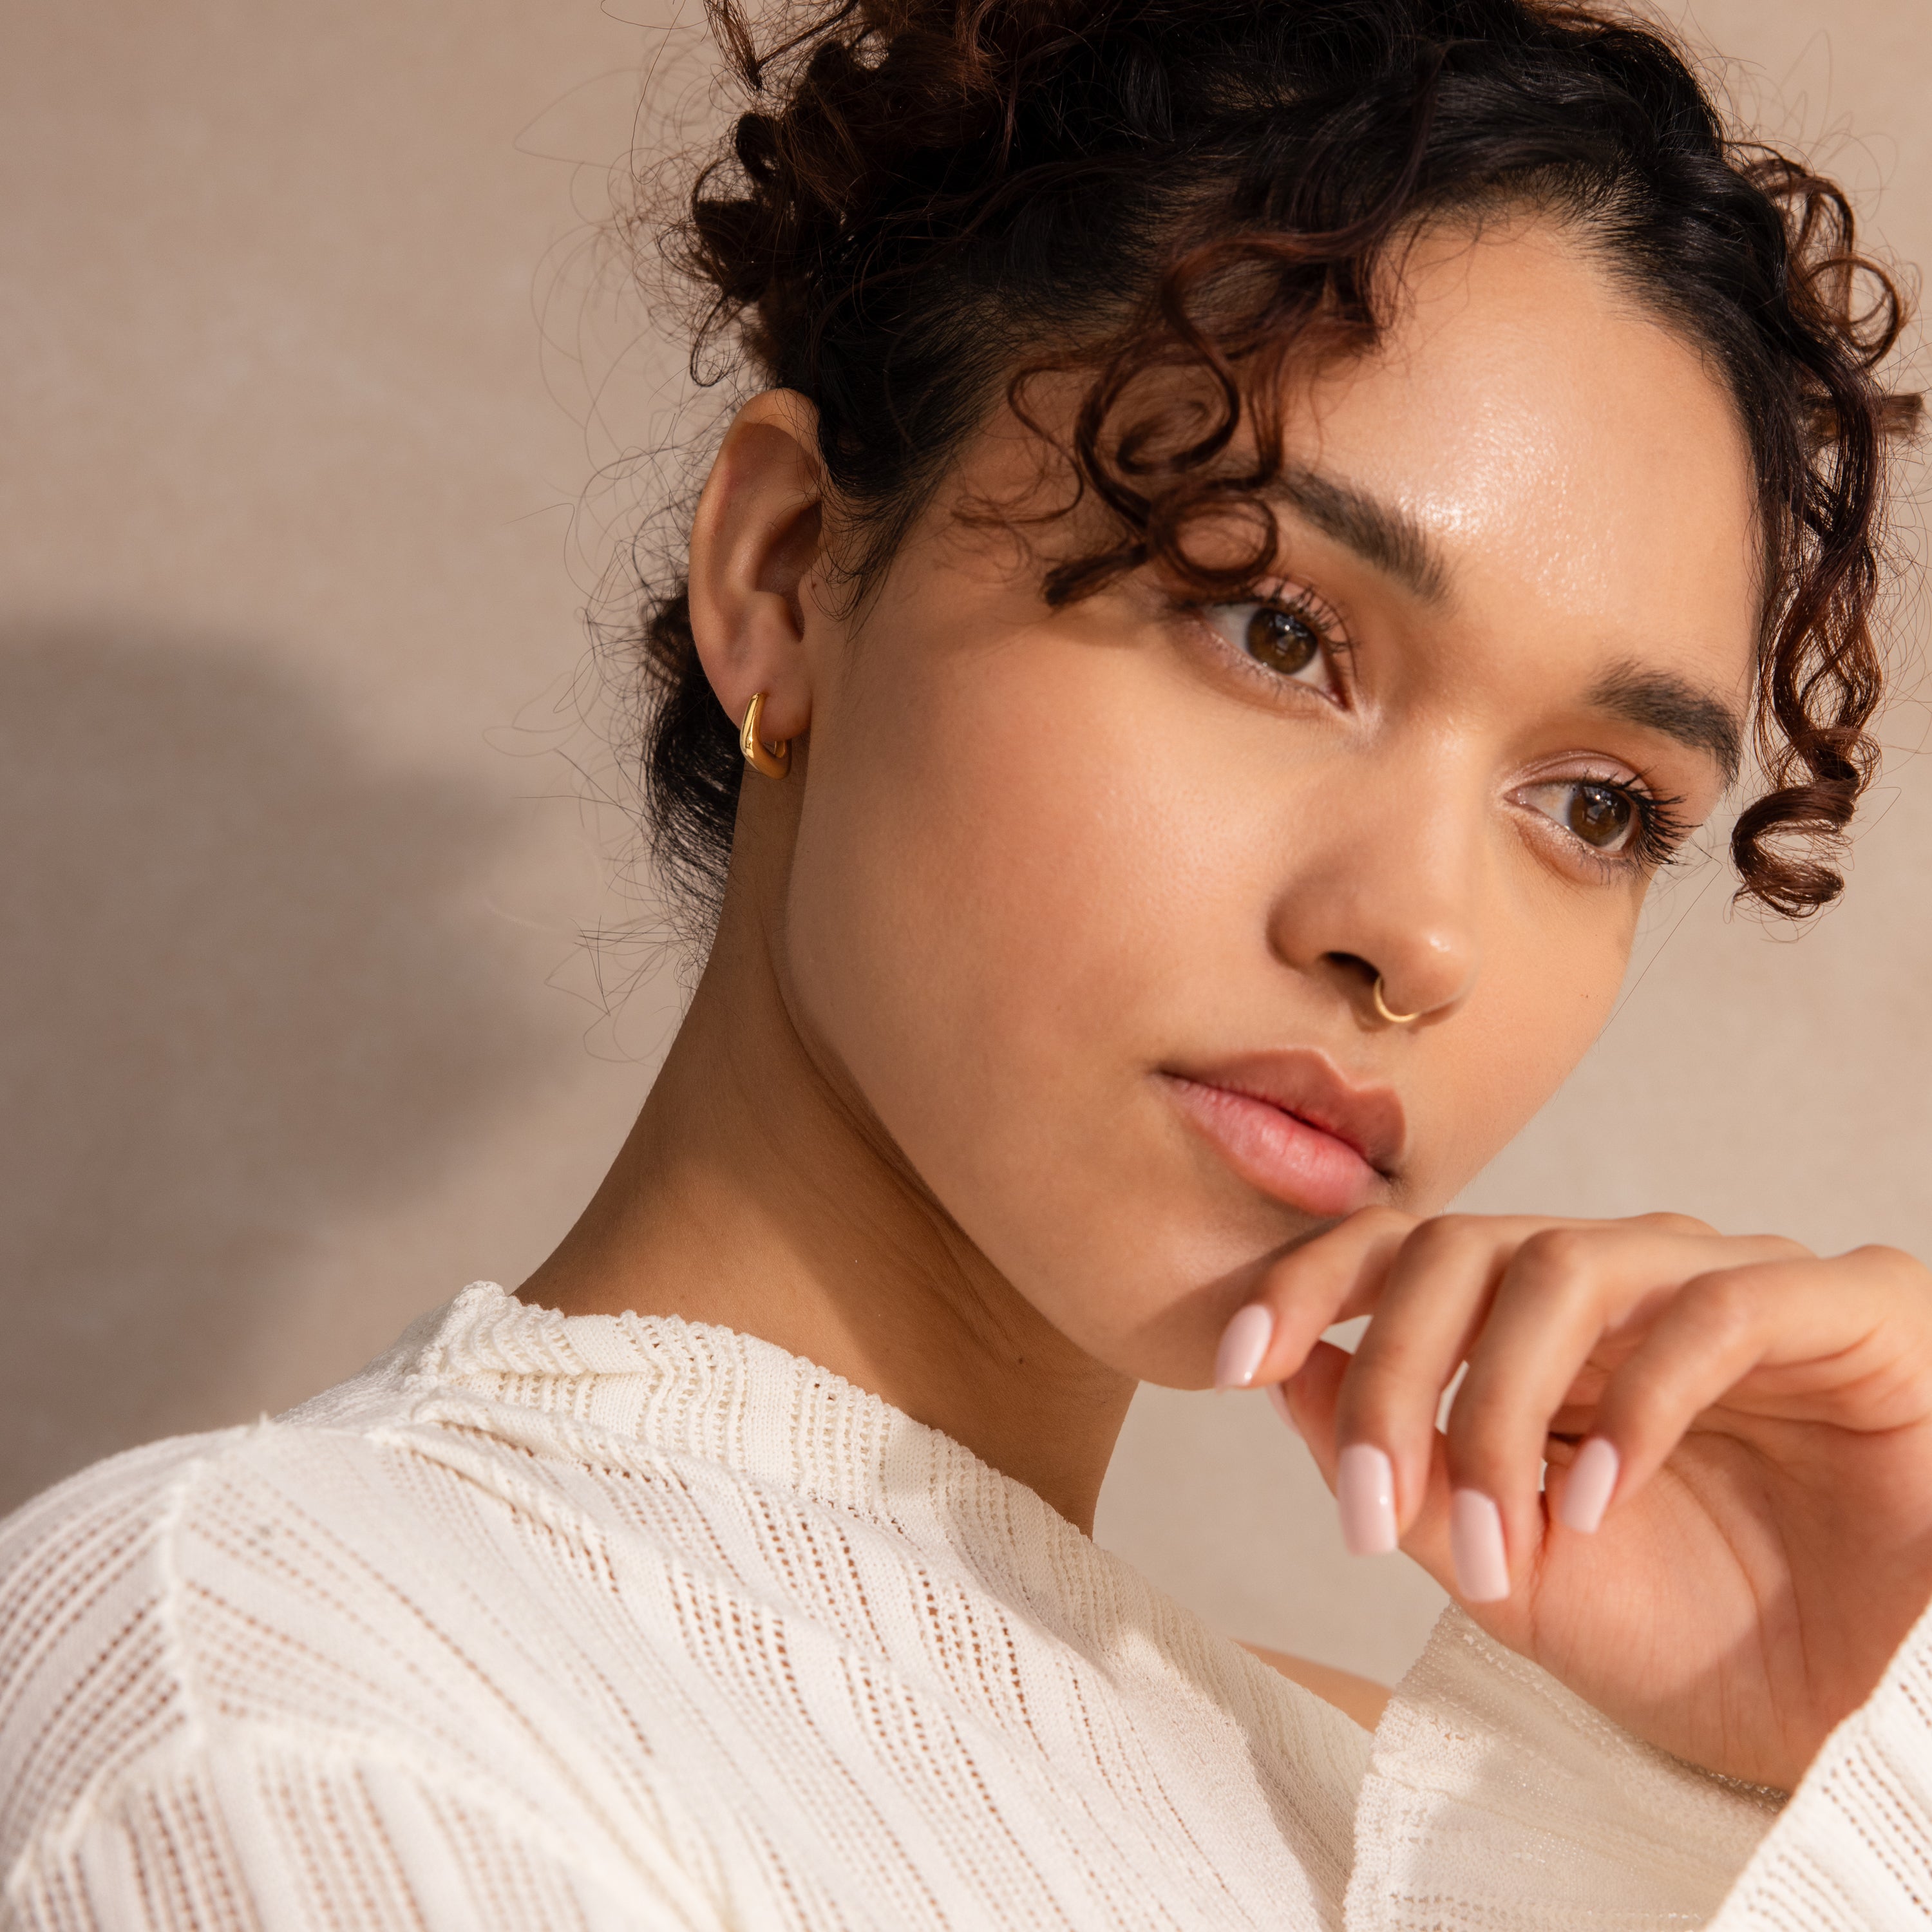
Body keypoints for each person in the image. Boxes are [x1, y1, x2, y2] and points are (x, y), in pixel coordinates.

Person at [4, 0, 1931, 1924]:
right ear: (785, 574)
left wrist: (1838, 1729)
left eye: (1596, 806)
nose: (1421, 938)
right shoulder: (280, 1688)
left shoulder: (1423, 1827)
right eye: (1271, 625)